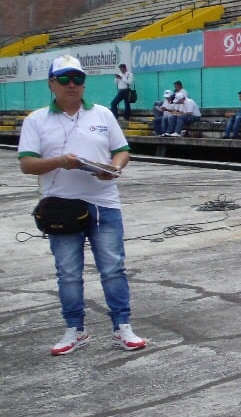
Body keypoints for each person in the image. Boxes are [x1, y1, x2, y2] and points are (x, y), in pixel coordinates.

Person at [17, 55, 146, 355]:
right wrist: (59, 162)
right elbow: (27, 164)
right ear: (51, 84)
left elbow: (122, 151)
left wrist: (113, 168)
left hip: (104, 203)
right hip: (61, 206)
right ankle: (75, 329)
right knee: (69, 272)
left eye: (77, 79)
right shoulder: (36, 120)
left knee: (113, 268)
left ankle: (122, 327)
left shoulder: (102, 114)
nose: (72, 84)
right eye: (64, 79)